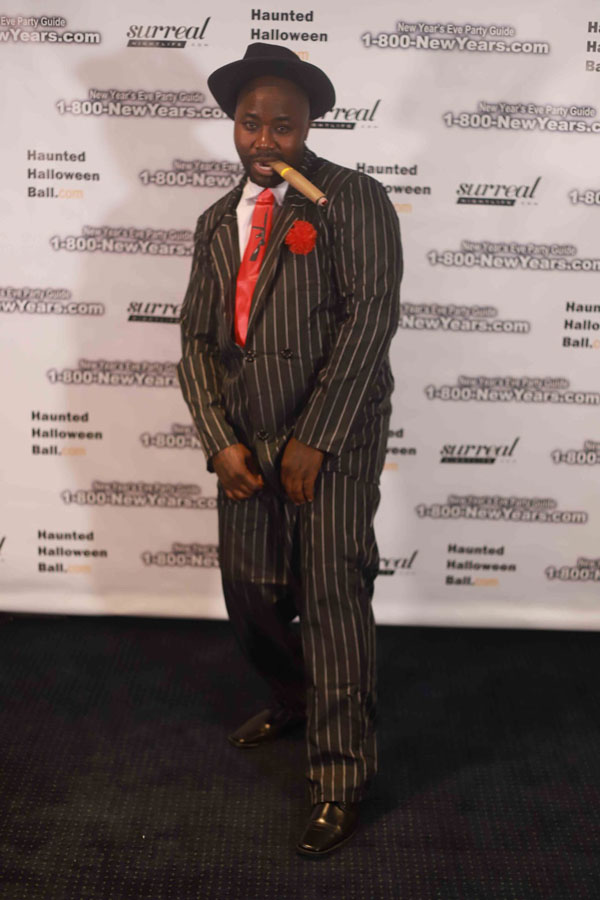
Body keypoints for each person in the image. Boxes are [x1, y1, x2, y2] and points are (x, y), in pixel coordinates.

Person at [177, 42, 402, 856]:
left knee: (333, 597)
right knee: (251, 591)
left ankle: (340, 779)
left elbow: (370, 317)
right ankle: (296, 698)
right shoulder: (215, 221)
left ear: (308, 127)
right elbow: (197, 341)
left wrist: (317, 437)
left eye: (283, 125)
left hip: (331, 438)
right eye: (251, 123)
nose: (265, 140)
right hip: (247, 437)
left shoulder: (350, 198)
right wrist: (218, 440)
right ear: (233, 126)